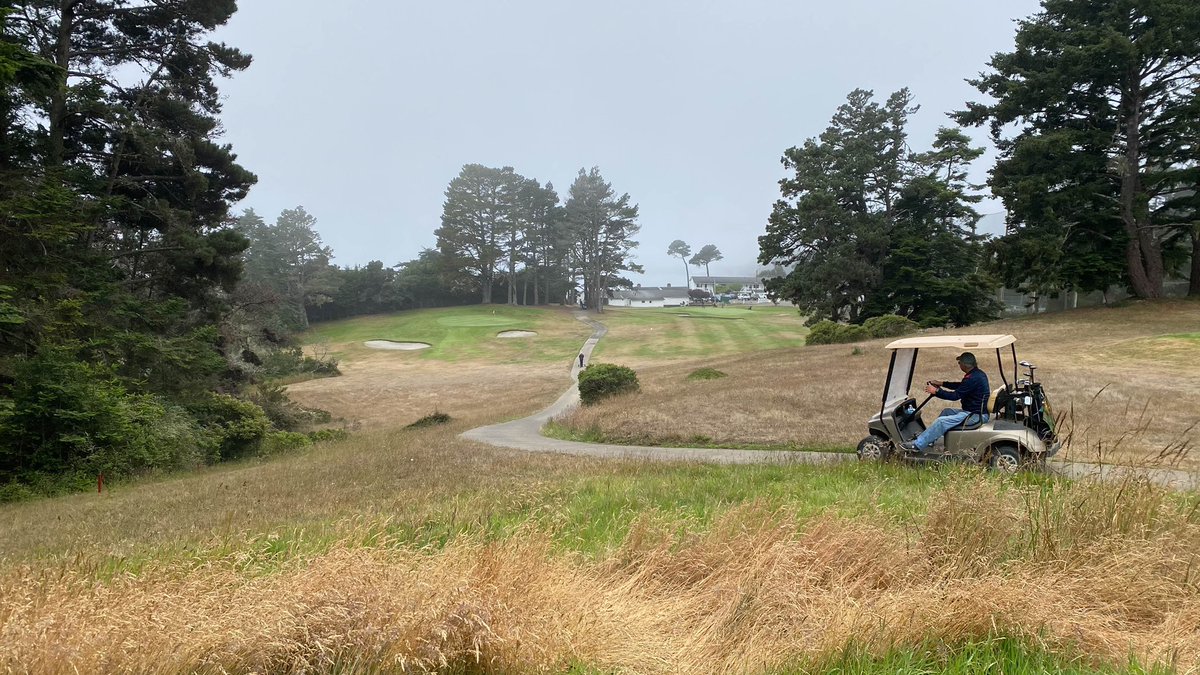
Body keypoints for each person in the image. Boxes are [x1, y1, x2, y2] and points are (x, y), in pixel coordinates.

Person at [900, 352, 990, 453]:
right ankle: (929, 440)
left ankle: (916, 445)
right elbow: (961, 386)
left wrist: (936, 391)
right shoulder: (976, 374)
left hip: (975, 416)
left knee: (941, 422)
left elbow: (954, 396)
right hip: (974, 412)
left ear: (964, 365)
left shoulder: (973, 378)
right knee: (946, 411)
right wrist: (942, 383)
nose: (959, 365)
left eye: (959, 363)